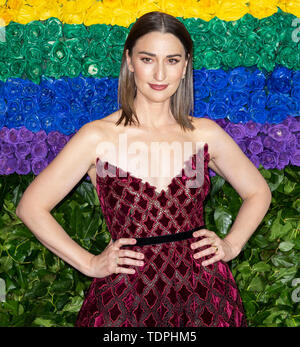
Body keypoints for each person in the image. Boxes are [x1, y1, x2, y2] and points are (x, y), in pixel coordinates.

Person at [16, 11, 272, 327]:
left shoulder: (204, 134)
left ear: (185, 66)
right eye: (148, 59)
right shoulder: (96, 136)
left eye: (173, 60)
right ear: (129, 61)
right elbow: (31, 207)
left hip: (204, 298)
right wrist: (90, 263)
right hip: (125, 299)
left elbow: (257, 191)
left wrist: (232, 244)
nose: (160, 73)